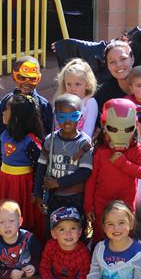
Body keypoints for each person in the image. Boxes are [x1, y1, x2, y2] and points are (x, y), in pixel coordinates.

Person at [84, 99, 141, 244]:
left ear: (134, 127)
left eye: (127, 129)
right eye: (113, 129)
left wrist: (123, 163)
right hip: (101, 203)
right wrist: (88, 206)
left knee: (124, 236)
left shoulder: (136, 148)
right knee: (100, 237)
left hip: (126, 204)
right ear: (104, 126)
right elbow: (91, 179)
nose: (120, 135)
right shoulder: (100, 150)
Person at [0, 93, 46, 243]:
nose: (3, 112)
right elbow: (0, 158)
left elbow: (39, 168)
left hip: (22, 185)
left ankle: (25, 241)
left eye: (7, 110)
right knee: (4, 211)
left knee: (22, 212)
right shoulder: (4, 135)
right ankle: (6, 237)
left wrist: (36, 192)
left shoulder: (31, 141)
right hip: (4, 181)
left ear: (17, 117)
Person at [33, 93, 94, 225]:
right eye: (62, 117)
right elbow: (41, 167)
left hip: (76, 197)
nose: (67, 121)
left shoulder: (84, 142)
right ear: (56, 117)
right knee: (53, 227)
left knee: (76, 227)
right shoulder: (50, 140)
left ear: (81, 116)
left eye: (73, 116)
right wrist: (38, 193)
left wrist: (58, 182)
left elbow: (84, 172)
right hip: (53, 196)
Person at [91, 40, 141, 114]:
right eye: (112, 62)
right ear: (107, 66)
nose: (118, 65)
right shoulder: (104, 94)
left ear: (132, 59)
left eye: (123, 59)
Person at [0, 56, 54, 143]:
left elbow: (49, 131)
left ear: (38, 78)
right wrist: (5, 141)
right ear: (14, 77)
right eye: (21, 77)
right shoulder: (7, 101)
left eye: (32, 78)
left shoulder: (44, 104)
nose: (27, 82)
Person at [53, 58, 99, 139]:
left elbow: (88, 130)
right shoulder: (62, 100)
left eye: (77, 84)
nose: (73, 89)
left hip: (80, 142)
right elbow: (55, 124)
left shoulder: (90, 102)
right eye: (69, 84)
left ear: (88, 84)